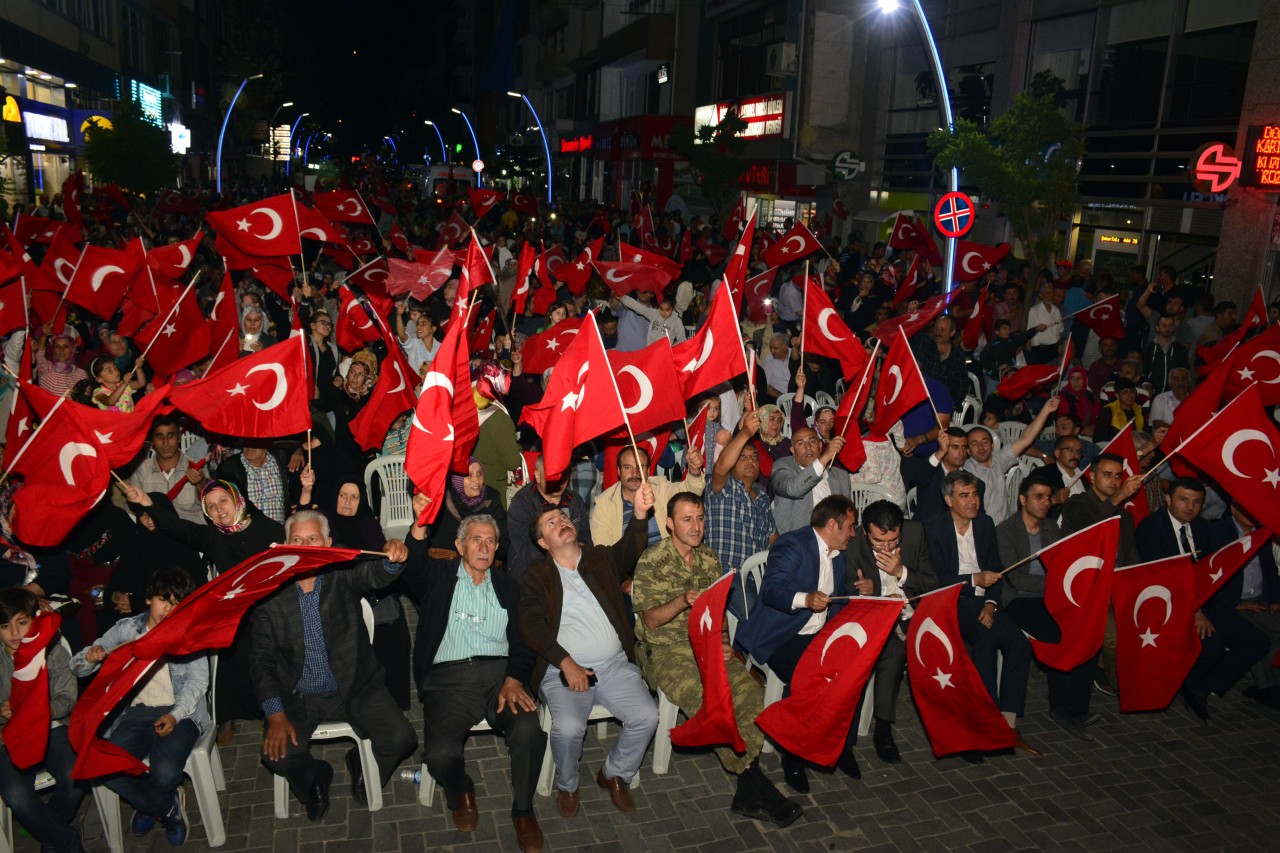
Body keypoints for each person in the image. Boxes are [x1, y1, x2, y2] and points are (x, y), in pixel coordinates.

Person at [632, 492, 802, 827]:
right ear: (669, 523)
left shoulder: (710, 559)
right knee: (711, 703)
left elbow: (719, 610)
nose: (696, 527)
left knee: (752, 698)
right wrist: (682, 600)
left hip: (706, 645)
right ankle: (755, 783)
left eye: (699, 518)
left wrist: (724, 642)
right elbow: (650, 620)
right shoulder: (652, 561)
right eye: (687, 519)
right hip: (665, 650)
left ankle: (747, 787)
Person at [251, 511, 416, 821]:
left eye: (312, 539)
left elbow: (374, 574)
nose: (305, 546)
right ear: (286, 545)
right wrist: (275, 712)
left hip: (355, 686)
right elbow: (260, 659)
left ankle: (360, 764)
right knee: (275, 756)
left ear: (327, 543)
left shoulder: (341, 574)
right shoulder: (269, 593)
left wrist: (393, 557)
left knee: (402, 738)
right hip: (299, 697)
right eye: (297, 540)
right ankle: (315, 777)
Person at [404, 506, 546, 852]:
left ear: (497, 548)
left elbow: (523, 641)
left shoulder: (509, 587)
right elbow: (411, 569)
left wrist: (514, 678)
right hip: (449, 681)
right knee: (438, 755)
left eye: (491, 541)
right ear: (459, 545)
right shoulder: (439, 577)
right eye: (476, 540)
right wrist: (420, 524)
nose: (484, 547)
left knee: (529, 729)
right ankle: (461, 789)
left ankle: (524, 810)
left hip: (500, 678)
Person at [519, 487, 660, 816]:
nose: (562, 523)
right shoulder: (537, 576)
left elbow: (630, 550)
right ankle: (567, 785)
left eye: (564, 518)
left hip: (613, 667)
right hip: (563, 671)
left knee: (647, 716)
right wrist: (567, 664)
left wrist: (639, 514)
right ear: (543, 542)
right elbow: (531, 627)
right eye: (551, 523)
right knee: (567, 728)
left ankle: (614, 773)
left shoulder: (598, 559)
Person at [122, 480, 285, 744]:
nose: (219, 510)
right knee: (227, 640)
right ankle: (227, 713)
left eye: (223, 501)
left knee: (269, 640)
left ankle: (273, 710)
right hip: (237, 607)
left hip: (272, 603)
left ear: (236, 499)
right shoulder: (213, 536)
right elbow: (180, 528)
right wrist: (146, 502)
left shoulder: (269, 530)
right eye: (211, 507)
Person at [71, 568, 208, 846]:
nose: (168, 609)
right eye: (162, 600)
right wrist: (90, 656)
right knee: (104, 767)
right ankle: (163, 806)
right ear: (148, 599)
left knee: (166, 772)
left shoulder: (188, 632)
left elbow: (198, 681)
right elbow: (77, 667)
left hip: (180, 712)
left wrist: (175, 714)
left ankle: (151, 802)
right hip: (134, 714)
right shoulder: (127, 629)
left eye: (176, 604)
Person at [734, 496, 862, 790]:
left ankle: (840, 744)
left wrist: (859, 590)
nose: (853, 533)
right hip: (783, 635)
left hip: (819, 633)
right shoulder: (793, 545)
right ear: (833, 524)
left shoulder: (839, 553)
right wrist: (806, 599)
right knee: (809, 678)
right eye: (850, 527)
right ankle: (792, 755)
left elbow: (839, 594)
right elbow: (771, 590)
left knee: (852, 670)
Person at [923, 472, 1038, 757]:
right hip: (952, 602)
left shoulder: (985, 525)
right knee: (984, 643)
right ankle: (984, 724)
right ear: (949, 500)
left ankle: (1007, 722)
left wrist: (991, 604)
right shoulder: (933, 528)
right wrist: (973, 580)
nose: (973, 501)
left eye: (975, 494)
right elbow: (934, 580)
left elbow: (995, 568)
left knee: (1020, 646)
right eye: (964, 496)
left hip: (984, 601)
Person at [1135, 479, 1268, 722]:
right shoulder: (1151, 528)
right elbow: (1163, 579)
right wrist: (1194, 611)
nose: (1189, 507)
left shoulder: (1201, 527)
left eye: (1197, 502)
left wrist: (1220, 605)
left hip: (1206, 603)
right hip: (1169, 604)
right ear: (1168, 499)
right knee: (1212, 647)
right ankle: (1192, 687)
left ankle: (1201, 687)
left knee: (1257, 642)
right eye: (1183, 499)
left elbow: (1210, 571)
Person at [997, 475, 1103, 738]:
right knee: (1058, 635)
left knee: (1088, 630)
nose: (1046, 502)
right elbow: (1016, 578)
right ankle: (1059, 707)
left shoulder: (1050, 529)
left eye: (1048, 497)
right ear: (1023, 499)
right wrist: (1054, 585)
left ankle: (1078, 707)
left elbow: (1063, 566)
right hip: (1018, 600)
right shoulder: (1006, 531)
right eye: (1039, 497)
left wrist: (1061, 587)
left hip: (1050, 597)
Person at [844, 499, 938, 765]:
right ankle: (881, 730)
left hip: (911, 614)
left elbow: (933, 583)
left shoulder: (916, 534)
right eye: (879, 542)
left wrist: (902, 572)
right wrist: (864, 591)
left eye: (893, 541)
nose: (887, 548)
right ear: (865, 532)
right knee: (892, 656)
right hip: (872, 619)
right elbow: (841, 592)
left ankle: (948, 725)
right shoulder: (852, 545)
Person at [0, 588, 85, 853]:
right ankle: (66, 840)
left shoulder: (53, 652)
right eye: (5, 626)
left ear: (34, 620)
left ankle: (51, 835)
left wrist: (35, 710)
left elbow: (67, 699)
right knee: (16, 795)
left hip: (50, 727)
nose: (14, 633)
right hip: (5, 736)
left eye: (21, 623)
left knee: (73, 776)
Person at [1208, 504, 1280, 709]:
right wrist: (1235, 604)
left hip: (1261, 600)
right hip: (1232, 604)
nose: (1251, 513)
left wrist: (1275, 599)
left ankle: (1269, 682)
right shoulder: (1218, 533)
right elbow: (1209, 576)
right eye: (1245, 508)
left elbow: (1270, 570)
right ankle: (1265, 687)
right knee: (1258, 637)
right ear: (1233, 508)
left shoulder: (1263, 533)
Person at [964, 396, 1058, 525]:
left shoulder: (999, 459)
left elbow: (1026, 438)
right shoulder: (966, 470)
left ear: (992, 446)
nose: (980, 447)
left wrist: (1046, 410)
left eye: (985, 442)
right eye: (974, 444)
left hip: (1004, 528)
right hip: (981, 530)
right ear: (968, 450)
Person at [705, 409, 777, 574]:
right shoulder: (722, 487)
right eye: (743, 457)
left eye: (754, 458)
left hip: (761, 575)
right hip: (727, 575)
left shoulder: (763, 497)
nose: (750, 461)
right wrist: (744, 433)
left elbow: (773, 537)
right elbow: (721, 468)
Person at [589, 444, 705, 547]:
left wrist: (694, 471)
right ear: (618, 471)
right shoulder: (604, 504)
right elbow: (603, 552)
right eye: (627, 467)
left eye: (640, 467)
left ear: (649, 471)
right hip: (628, 570)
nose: (634, 474)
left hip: (668, 565)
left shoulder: (661, 487)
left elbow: (690, 493)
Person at [127, 417, 208, 525]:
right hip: (158, 533)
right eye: (159, 437)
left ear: (179, 438)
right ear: (153, 441)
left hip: (191, 532)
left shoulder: (196, 466)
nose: (165, 443)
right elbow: (134, 507)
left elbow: (210, 505)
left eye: (170, 436)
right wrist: (143, 515)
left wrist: (200, 483)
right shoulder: (141, 470)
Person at [770, 427, 850, 535]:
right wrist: (825, 457)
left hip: (833, 541)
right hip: (796, 541)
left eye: (812, 442)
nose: (808, 447)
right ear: (793, 450)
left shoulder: (841, 477)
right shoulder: (783, 467)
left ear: (820, 446)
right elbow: (793, 489)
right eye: (800, 444)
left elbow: (847, 516)